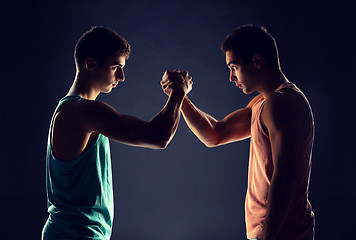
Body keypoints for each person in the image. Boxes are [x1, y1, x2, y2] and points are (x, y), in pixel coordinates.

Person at [161, 25, 315, 240]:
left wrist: (268, 237)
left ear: (257, 61)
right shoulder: (264, 103)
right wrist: (181, 96)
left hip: (283, 233)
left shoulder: (282, 103)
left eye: (234, 67)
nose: (231, 77)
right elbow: (216, 134)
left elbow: (285, 177)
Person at [42, 26, 191, 240]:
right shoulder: (83, 111)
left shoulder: (72, 110)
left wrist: (177, 96)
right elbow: (158, 136)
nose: (121, 76)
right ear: (91, 64)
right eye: (115, 67)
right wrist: (178, 92)